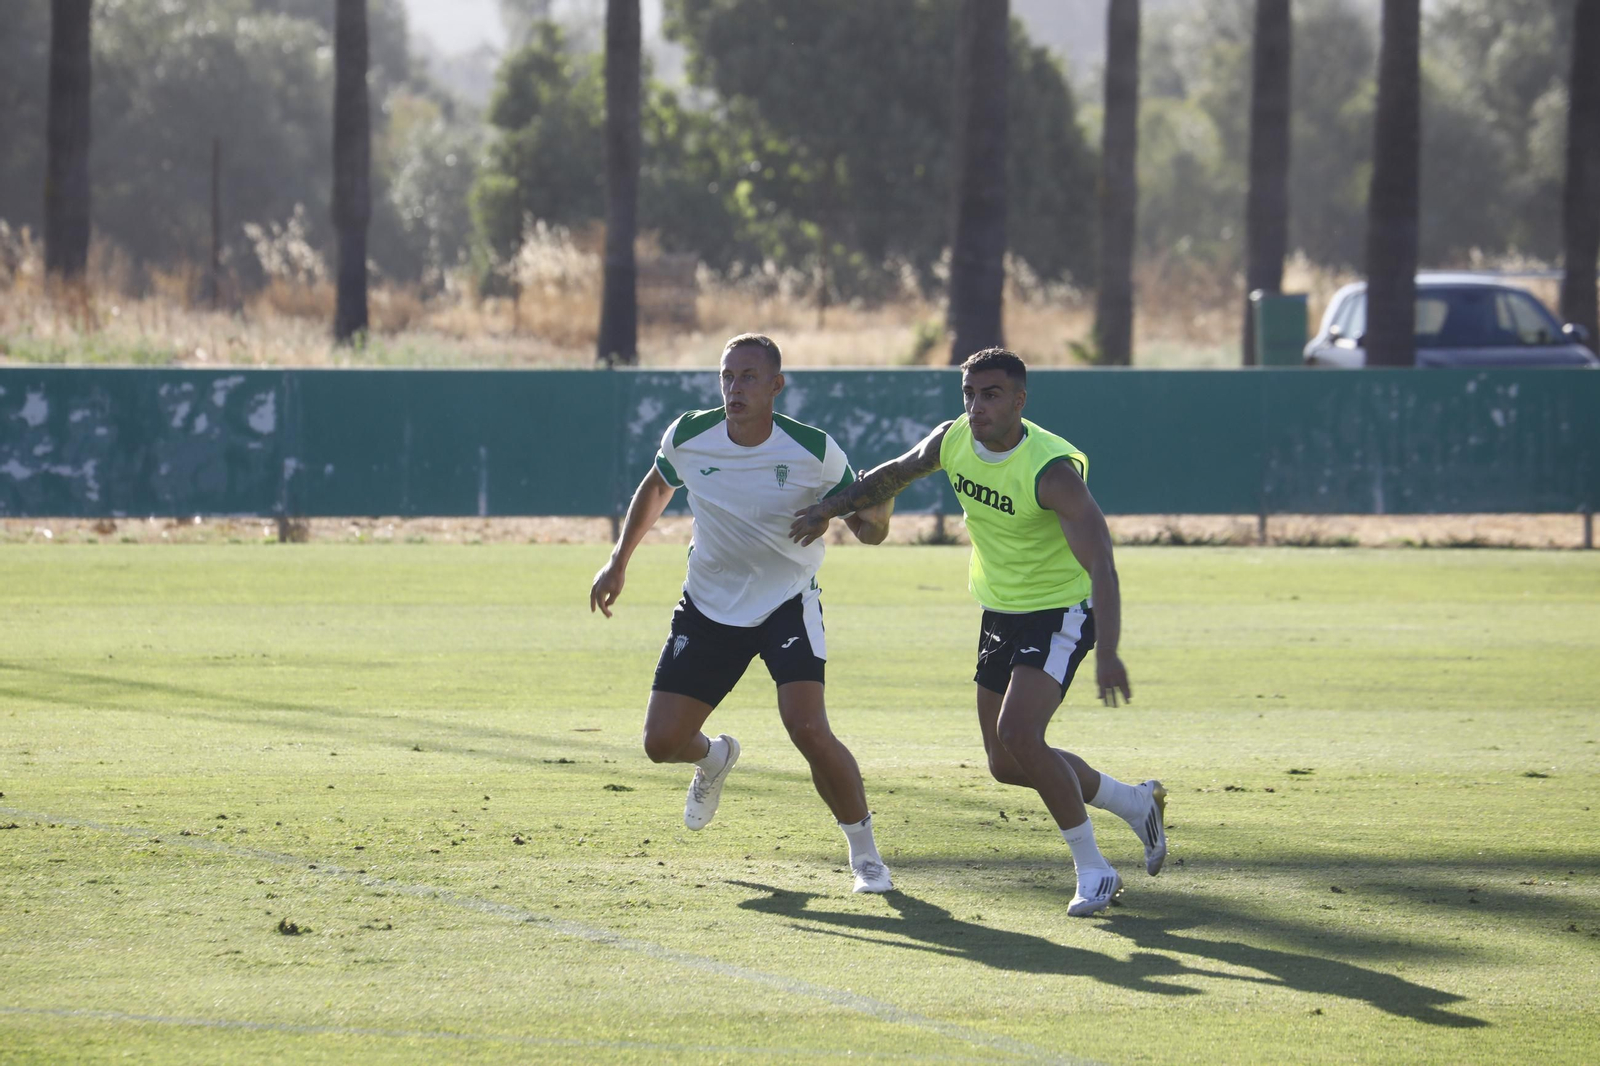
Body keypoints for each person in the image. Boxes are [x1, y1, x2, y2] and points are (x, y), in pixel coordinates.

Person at [789, 347, 1166, 916]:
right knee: (1006, 761)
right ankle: (1133, 803)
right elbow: (895, 474)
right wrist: (829, 510)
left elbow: (1103, 564)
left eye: (991, 394)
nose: (977, 405)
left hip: (1060, 609)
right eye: (969, 393)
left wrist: (1109, 650)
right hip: (1001, 610)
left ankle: (1095, 869)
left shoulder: (1051, 470)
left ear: (1019, 399)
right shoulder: (954, 439)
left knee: (1020, 732)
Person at [590, 333, 896, 894]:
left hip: (786, 602)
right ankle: (715, 757)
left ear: (776, 386)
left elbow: (866, 522)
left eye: (749, 377)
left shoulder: (813, 449)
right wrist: (618, 560)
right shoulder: (689, 435)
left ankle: (866, 856)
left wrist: (873, 512)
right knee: (661, 744)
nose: (735, 387)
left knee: (807, 728)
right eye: (728, 376)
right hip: (708, 604)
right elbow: (658, 486)